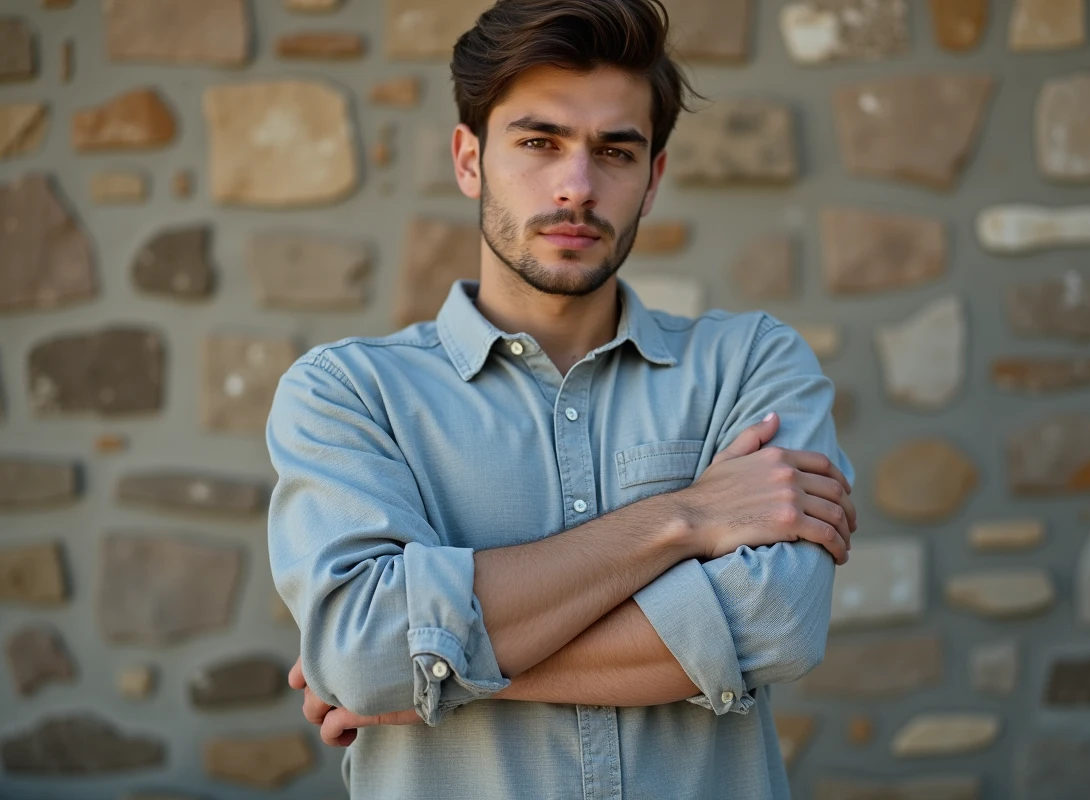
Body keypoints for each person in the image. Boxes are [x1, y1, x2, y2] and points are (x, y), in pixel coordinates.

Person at [266, 0, 858, 797]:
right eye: (539, 143)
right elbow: (362, 650)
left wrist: (424, 680)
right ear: (469, 159)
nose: (577, 187)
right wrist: (685, 519)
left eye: (614, 152)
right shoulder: (349, 393)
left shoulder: (749, 365)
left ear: (652, 180)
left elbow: (777, 624)